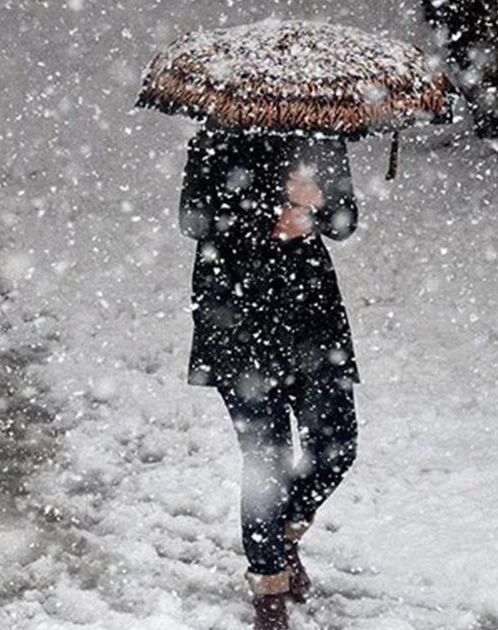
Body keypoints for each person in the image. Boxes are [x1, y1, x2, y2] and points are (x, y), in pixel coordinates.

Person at [179, 121, 360, 630]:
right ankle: (268, 588)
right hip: (237, 318)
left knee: (336, 444)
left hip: (312, 318)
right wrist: (269, 213)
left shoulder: (321, 135)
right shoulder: (217, 136)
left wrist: (318, 205)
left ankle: (281, 536)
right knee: (268, 459)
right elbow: (194, 219)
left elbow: (345, 222)